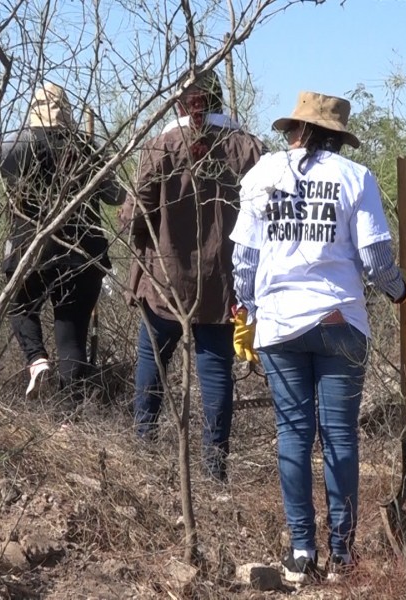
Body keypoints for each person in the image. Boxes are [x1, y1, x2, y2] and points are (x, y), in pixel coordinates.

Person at [229, 91, 406, 582]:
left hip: (277, 324)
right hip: (338, 321)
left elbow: (244, 262)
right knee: (339, 437)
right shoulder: (355, 178)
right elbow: (377, 262)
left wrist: (245, 313)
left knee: (292, 436)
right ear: (337, 136)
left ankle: (300, 552)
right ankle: (342, 554)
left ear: (293, 130)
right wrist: (401, 293)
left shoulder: (260, 176)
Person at [120, 69, 264, 482]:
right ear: (218, 101)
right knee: (216, 371)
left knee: (153, 360)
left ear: (181, 104)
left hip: (164, 281)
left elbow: (135, 217)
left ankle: (142, 452)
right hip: (223, 284)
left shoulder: (159, 148)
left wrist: (138, 222)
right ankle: (214, 473)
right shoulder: (249, 150)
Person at [0, 83, 124, 398]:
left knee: (20, 306)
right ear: (66, 111)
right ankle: (69, 412)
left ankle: (37, 360)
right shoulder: (88, 148)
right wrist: (98, 162)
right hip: (84, 254)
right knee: (71, 332)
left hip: (33, 251)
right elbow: (116, 196)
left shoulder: (19, 144)